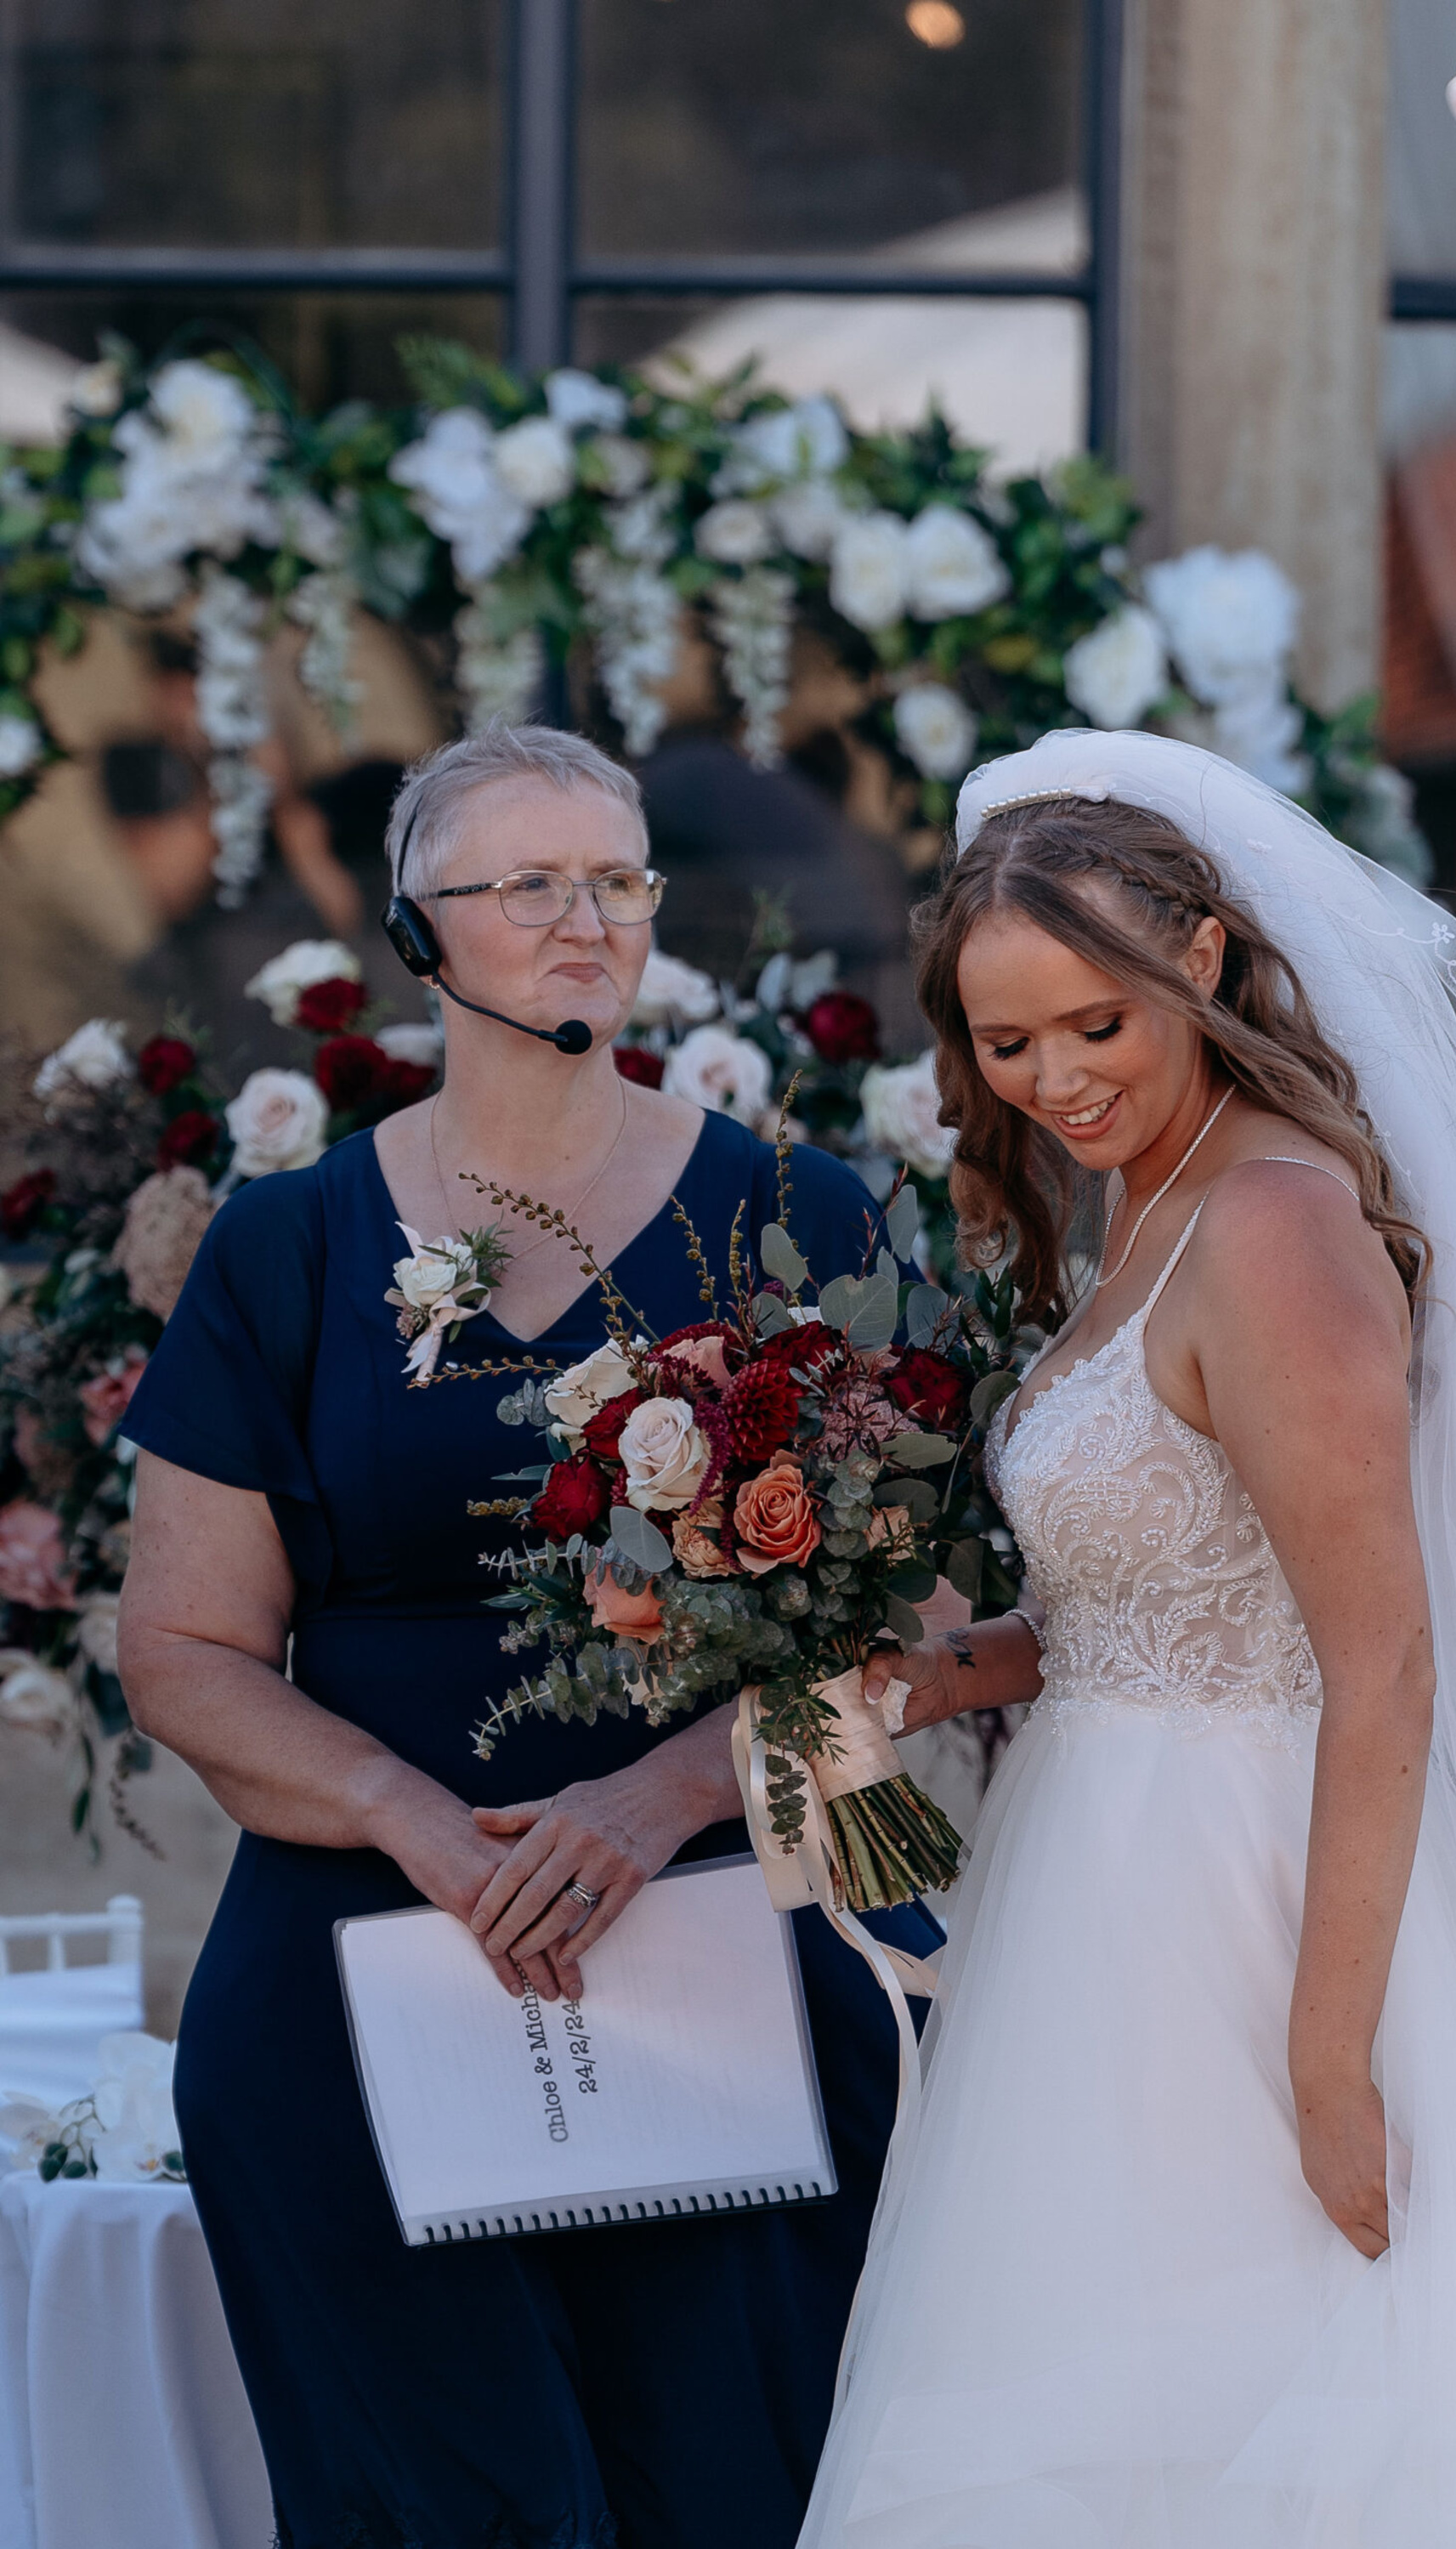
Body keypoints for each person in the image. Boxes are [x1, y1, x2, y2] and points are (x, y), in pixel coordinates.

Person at [799, 728, 1456, 2548]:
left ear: (1199, 961)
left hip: (1266, 1904)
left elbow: (1383, 1661)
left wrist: (1322, 2061)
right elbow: (1154, 1594)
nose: (1057, 1079)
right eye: (1007, 1043)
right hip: (1095, 1888)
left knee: (1275, 2422)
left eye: (1095, 1027)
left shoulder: (1277, 1223)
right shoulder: (1142, 1199)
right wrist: (927, 1669)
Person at [116, 722, 939, 2549]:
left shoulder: (797, 1216)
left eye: (617, 879)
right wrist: (416, 1828)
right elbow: (179, 1648)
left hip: (741, 1947)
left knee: (743, 2493)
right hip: (361, 1970)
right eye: (527, 885)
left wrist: (654, 1802)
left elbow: (919, 1612)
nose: (587, 921)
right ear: (419, 933)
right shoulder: (283, 1249)